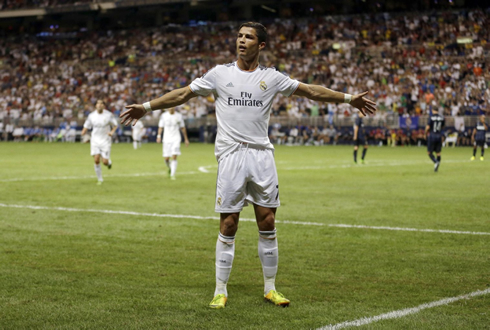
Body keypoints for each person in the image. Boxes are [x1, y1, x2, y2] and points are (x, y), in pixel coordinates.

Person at [121, 22, 376, 309]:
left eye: (249, 37)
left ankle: (270, 288)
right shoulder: (220, 74)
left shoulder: (272, 77)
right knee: (229, 224)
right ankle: (220, 290)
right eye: (240, 36)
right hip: (231, 156)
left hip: (261, 156)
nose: (242, 41)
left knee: (267, 221)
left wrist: (348, 99)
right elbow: (183, 94)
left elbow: (310, 91)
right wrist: (145, 107)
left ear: (261, 45)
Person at [81, 100, 118, 185]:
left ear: (104, 106)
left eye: (101, 104)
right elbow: (86, 125)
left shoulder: (108, 115)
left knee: (104, 162)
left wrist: (112, 132)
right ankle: (100, 179)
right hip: (95, 140)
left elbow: (115, 125)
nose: (100, 105)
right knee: (96, 159)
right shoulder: (91, 116)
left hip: (105, 141)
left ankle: (109, 163)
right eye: (98, 103)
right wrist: (83, 132)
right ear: (95, 106)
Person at [156, 107, 189, 179]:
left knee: (174, 156)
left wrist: (186, 139)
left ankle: (172, 174)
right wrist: (158, 136)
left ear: (174, 107)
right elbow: (160, 127)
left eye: (172, 106)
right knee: (166, 159)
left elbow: (183, 127)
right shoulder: (164, 116)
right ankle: (170, 168)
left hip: (176, 139)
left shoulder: (179, 116)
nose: (170, 108)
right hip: (166, 139)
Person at [425, 107, 445, 172]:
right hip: (439, 136)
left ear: (433, 110)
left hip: (432, 135)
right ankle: (436, 168)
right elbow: (442, 126)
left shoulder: (431, 117)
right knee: (438, 153)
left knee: (429, 152)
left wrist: (425, 133)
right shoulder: (442, 117)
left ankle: (436, 161)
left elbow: (428, 127)